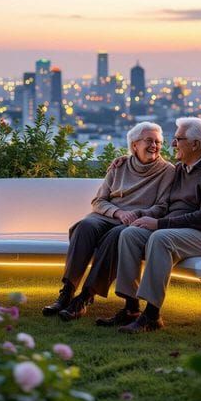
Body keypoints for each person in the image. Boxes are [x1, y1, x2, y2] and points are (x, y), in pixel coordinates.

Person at [112, 117, 201, 333]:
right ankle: (131, 307)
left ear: (195, 144)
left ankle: (151, 315)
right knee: (130, 234)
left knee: (160, 238)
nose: (172, 144)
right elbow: (160, 181)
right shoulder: (182, 169)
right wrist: (125, 161)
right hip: (181, 231)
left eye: (178, 139)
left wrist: (160, 224)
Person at [46, 123, 175, 323]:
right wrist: (118, 212)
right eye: (149, 141)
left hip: (135, 221)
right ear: (134, 145)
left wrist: (136, 214)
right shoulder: (120, 166)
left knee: (115, 236)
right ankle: (67, 292)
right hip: (110, 215)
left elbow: (162, 206)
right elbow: (98, 201)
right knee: (84, 226)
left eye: (158, 142)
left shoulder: (167, 171)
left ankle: (85, 297)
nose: (154, 146)